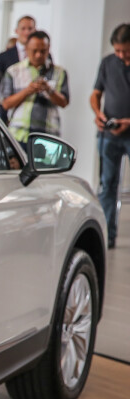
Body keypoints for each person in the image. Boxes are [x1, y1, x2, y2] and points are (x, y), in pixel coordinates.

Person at [91, 23, 130, 249]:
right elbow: (96, 94)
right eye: (118, 50)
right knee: (108, 184)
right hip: (109, 134)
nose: (122, 55)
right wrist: (98, 114)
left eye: (125, 50)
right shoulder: (107, 63)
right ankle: (108, 235)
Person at [0, 31, 69, 143]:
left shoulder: (59, 72)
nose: (38, 55)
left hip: (48, 134)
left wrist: (49, 90)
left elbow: (64, 102)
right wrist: (27, 91)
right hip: (18, 134)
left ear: (48, 48)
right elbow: (5, 104)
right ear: (26, 48)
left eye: (43, 51)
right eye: (34, 51)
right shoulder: (14, 71)